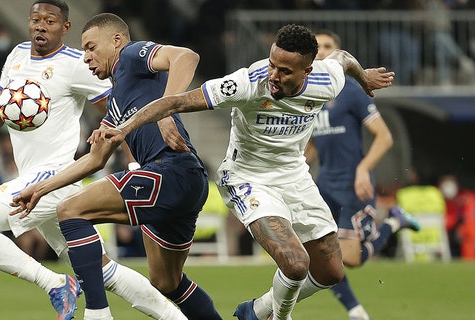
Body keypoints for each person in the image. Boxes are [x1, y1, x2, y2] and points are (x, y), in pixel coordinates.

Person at [94, 24, 396, 320]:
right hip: (247, 178)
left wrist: (363, 77)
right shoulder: (248, 82)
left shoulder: (327, 80)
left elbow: (342, 58)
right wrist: (126, 128)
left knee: (331, 272)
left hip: (294, 176)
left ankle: (257, 311)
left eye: (285, 71)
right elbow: (178, 101)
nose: (274, 76)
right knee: (295, 263)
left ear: (307, 71)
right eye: (273, 64)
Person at [0, 2, 187, 320]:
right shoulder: (17, 55)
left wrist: (134, 164)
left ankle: (56, 284)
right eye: (35, 19)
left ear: (65, 27)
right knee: (102, 270)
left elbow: (122, 112)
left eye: (49, 21)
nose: (40, 26)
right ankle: (176, 318)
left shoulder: (77, 64)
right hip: (36, 178)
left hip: (55, 175)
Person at [11, 12, 223, 320]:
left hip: (172, 170)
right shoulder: (115, 103)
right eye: (83, 51)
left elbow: (186, 56)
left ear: (116, 40)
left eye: (90, 47)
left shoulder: (131, 56)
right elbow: (95, 159)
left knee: (71, 211)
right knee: (166, 282)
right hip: (184, 181)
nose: (86, 57)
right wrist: (39, 189)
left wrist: (166, 109)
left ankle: (98, 313)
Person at [305, 30, 421, 320]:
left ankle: (394, 220)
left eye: (328, 46)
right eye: (316, 47)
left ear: (339, 54)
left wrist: (362, 169)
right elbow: (311, 146)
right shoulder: (310, 95)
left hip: (352, 186)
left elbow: (383, 136)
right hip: (324, 186)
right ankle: (356, 312)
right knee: (321, 257)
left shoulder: (350, 91)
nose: (321, 51)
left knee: (351, 259)